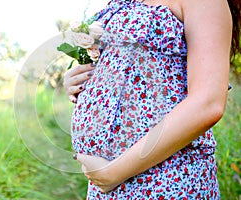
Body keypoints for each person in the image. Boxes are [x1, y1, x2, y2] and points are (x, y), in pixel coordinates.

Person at [63, 0, 240, 199]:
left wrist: (113, 173)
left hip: (165, 180)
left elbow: (207, 104)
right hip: (107, 186)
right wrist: (83, 80)